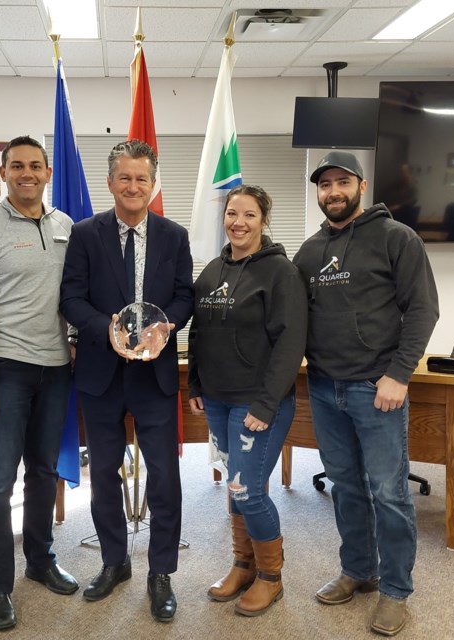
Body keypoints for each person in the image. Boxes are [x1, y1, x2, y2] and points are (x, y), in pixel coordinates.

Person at [292, 152, 439, 637]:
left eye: (341, 182)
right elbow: (294, 319)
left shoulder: (396, 237)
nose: (333, 191)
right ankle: (359, 571)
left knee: (389, 493)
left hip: (376, 390)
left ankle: (396, 590)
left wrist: (399, 375)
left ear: (361, 184)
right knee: (346, 488)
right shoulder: (310, 251)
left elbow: (423, 310)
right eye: (325, 184)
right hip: (324, 387)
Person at [60, 140, 194, 623]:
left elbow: (184, 296)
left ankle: (162, 573)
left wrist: (167, 325)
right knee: (104, 477)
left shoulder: (174, 236)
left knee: (164, 478)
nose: (133, 186)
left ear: (152, 183)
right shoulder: (84, 234)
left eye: (142, 178)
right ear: (110, 181)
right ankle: (114, 562)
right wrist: (107, 328)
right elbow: (71, 298)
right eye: (124, 177)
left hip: (155, 374)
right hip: (100, 373)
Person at [0, 136, 77, 631]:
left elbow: (72, 294)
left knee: (45, 472)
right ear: (2, 173)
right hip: (5, 369)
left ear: (48, 172)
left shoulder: (66, 225)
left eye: (35, 165)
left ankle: (40, 558)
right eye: (17, 166)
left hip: (55, 369)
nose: (27, 173)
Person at [186, 185, 307, 617]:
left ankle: (271, 578)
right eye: (232, 213)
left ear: (263, 220)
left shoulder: (280, 273)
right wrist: (195, 385)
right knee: (235, 490)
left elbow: (290, 344)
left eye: (249, 215)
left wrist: (265, 404)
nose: (239, 222)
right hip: (217, 400)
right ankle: (242, 565)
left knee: (247, 489)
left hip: (258, 404)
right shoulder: (213, 270)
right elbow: (198, 333)